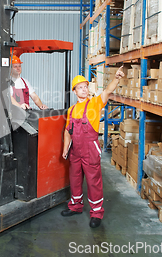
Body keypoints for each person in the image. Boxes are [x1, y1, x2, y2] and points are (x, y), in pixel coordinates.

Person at [61, 66, 125, 228]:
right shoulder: (71, 110)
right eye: (80, 87)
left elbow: (107, 91)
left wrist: (116, 78)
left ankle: (96, 213)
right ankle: (75, 206)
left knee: (93, 181)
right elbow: (68, 131)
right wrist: (65, 149)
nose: (84, 89)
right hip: (75, 150)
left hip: (90, 149)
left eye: (85, 86)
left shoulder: (95, 103)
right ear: (74, 91)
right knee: (75, 179)